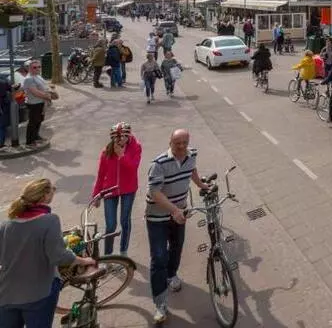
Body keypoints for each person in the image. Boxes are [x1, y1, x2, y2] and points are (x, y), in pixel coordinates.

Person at [0, 179, 96, 327]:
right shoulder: (49, 221)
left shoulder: (6, 225)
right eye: (52, 189)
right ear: (44, 196)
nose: (54, 191)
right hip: (38, 294)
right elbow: (59, 256)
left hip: (6, 294)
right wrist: (84, 261)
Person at [145, 129, 211, 324]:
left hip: (179, 213)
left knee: (177, 247)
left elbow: (192, 169)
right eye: (177, 143)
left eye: (184, 142)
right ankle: (160, 304)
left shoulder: (192, 154)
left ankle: (172, 275)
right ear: (170, 143)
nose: (181, 147)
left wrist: (201, 184)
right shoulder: (158, 164)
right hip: (157, 217)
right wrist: (174, 210)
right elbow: (155, 193)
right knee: (158, 258)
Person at [92, 123, 142, 256]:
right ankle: (108, 254)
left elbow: (133, 168)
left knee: (125, 220)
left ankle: (123, 251)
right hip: (109, 190)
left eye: (122, 138)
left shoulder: (136, 147)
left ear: (128, 136)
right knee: (110, 225)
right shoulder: (106, 151)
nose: (119, 141)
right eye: (116, 138)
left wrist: (122, 156)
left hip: (128, 189)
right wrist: (96, 194)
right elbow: (101, 174)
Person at [22, 60, 54, 146]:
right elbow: (35, 92)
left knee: (39, 120)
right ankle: (29, 142)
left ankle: (36, 137)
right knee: (33, 122)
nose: (37, 69)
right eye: (34, 67)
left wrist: (50, 90)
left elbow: (44, 86)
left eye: (39, 67)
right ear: (29, 68)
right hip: (34, 104)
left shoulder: (38, 76)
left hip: (41, 102)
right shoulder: (29, 79)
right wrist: (47, 96)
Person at [0, 79, 10, 151]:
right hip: (2, 107)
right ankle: (1, 144)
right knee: (1, 126)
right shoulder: (3, 82)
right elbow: (11, 88)